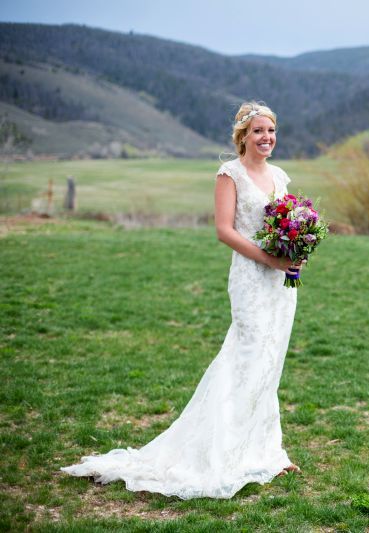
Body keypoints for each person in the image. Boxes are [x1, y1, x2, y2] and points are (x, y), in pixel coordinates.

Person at [60, 102, 303, 499]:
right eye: (258, 131)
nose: (266, 138)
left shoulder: (278, 175)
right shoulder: (230, 175)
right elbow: (224, 231)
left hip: (280, 281)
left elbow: (287, 222)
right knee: (246, 355)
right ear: (243, 135)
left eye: (271, 131)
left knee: (270, 360)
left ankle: (266, 451)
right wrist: (269, 258)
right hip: (250, 277)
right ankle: (224, 454)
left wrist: (295, 252)